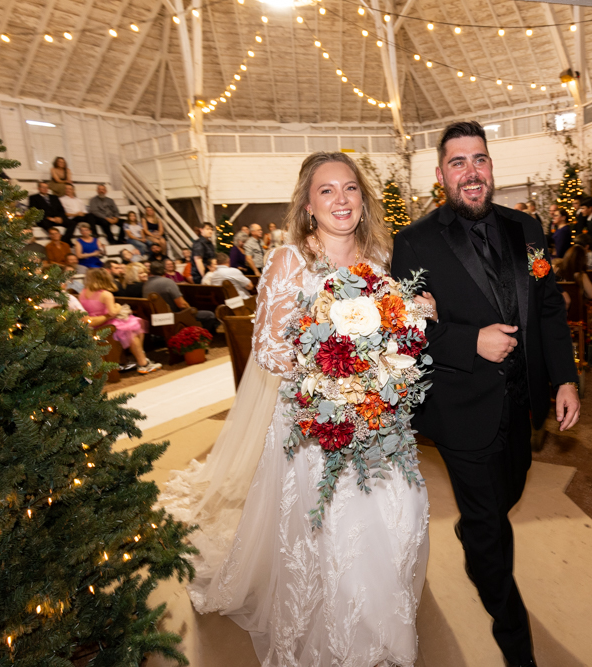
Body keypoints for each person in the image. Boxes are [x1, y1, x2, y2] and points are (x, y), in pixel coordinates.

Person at [159, 152, 431, 667]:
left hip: (377, 417)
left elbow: (393, 328)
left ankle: (384, 622)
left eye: (349, 188)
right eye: (327, 191)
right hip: (315, 420)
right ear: (308, 205)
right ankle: (351, 642)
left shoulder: (379, 257)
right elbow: (269, 350)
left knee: (404, 510)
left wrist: (412, 316)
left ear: (362, 198)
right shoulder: (290, 261)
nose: (341, 200)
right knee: (339, 529)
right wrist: (333, 365)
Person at [392, 121, 580, 667]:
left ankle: (476, 539)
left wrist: (565, 378)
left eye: (479, 160)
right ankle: (515, 641)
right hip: (461, 408)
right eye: (458, 163)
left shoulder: (528, 228)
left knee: (507, 493)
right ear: (440, 175)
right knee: (493, 528)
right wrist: (470, 341)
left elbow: (549, 307)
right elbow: (403, 332)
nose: (470, 172)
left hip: (523, 402)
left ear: (491, 167)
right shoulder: (414, 243)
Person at [77, 268, 161, 374]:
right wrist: (117, 306)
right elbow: (112, 313)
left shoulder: (82, 293)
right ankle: (143, 363)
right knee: (133, 328)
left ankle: (123, 361)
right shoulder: (105, 294)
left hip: (95, 324)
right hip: (107, 324)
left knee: (133, 325)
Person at [143, 261, 218, 334]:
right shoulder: (168, 282)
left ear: (150, 272)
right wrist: (191, 311)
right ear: (164, 271)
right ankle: (199, 337)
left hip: (154, 319)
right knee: (209, 315)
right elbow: (182, 305)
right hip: (172, 317)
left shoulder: (145, 284)